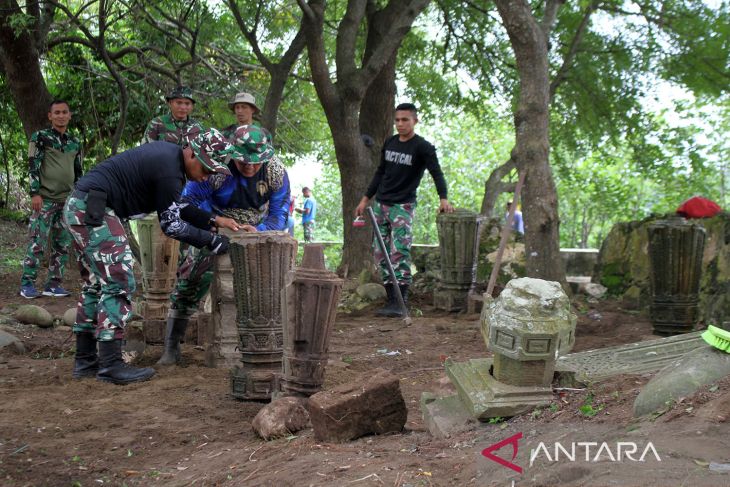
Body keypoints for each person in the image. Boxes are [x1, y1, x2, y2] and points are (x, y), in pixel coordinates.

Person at [63, 129, 244, 384]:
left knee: (96, 284)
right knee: (119, 281)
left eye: (213, 172)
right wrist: (213, 242)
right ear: (191, 153)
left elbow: (173, 205)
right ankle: (111, 365)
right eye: (205, 168)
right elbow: (171, 225)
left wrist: (212, 220)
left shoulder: (169, 161)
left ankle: (85, 361)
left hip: (83, 206)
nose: (206, 176)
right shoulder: (170, 171)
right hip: (93, 210)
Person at [158, 125, 290, 365]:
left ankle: (260, 342)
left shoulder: (276, 171)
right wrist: (215, 223)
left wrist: (259, 230)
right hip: (214, 225)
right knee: (191, 278)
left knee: (266, 285)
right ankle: (171, 345)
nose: (249, 166)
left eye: (255, 162)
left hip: (256, 232)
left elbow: (280, 214)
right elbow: (186, 202)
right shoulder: (218, 167)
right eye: (243, 161)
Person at [355, 102, 454, 318]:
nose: (400, 124)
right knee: (380, 252)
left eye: (405, 120)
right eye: (397, 120)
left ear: (415, 121)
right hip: (381, 204)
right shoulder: (390, 143)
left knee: (399, 251)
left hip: (403, 206)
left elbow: (437, 173)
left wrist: (443, 198)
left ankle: (401, 301)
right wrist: (365, 199)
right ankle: (390, 299)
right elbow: (380, 172)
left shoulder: (423, 147)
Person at [20, 100, 83, 299]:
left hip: (67, 201)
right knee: (37, 242)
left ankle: (53, 284)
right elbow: (33, 165)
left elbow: (79, 172)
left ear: (70, 115)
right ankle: (27, 284)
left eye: (64, 112)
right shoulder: (40, 137)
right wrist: (34, 193)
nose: (61, 116)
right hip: (45, 199)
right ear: (50, 116)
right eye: (57, 112)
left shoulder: (75, 142)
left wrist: (79, 198)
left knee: (62, 245)